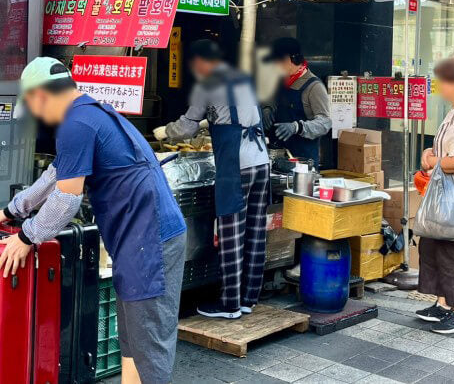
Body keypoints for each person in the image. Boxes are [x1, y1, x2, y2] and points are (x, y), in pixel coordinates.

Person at [0, 57, 186, 383]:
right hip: (141, 241)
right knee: (133, 345)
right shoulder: (89, 114)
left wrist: (26, 237)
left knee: (149, 352)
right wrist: (10, 212)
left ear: (41, 96)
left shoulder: (77, 124)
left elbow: (66, 201)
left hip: (151, 241)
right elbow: (54, 177)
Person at [154, 39, 269, 319]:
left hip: (236, 165)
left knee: (231, 234)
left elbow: (186, 127)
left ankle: (229, 304)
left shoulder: (207, 84)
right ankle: (248, 299)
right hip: (260, 160)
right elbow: (236, 114)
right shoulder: (242, 77)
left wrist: (163, 133)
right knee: (255, 233)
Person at [414, 56, 454, 334]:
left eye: (444, 79)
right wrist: (429, 154)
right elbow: (445, 154)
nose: (439, 84)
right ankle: (444, 303)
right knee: (432, 247)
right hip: (444, 193)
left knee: (452, 253)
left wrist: (433, 162)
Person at [261, 37, 331, 168]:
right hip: (278, 158)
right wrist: (267, 108)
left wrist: (297, 127)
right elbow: (271, 99)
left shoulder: (314, 87)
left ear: (287, 60)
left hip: (302, 164)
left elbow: (325, 123)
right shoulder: (280, 80)